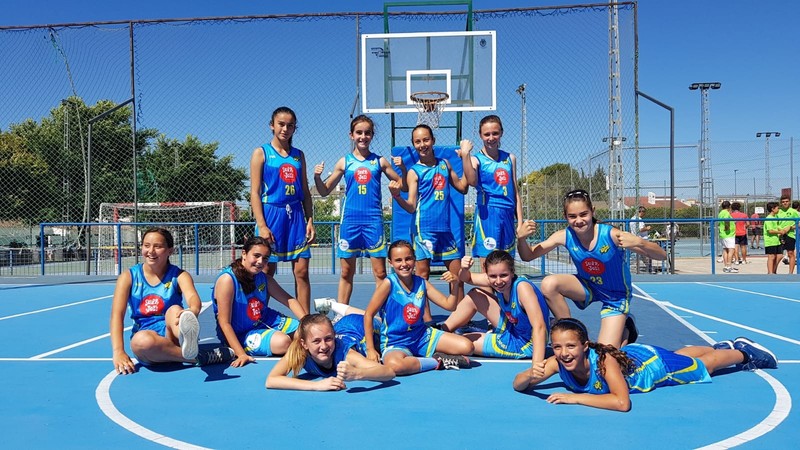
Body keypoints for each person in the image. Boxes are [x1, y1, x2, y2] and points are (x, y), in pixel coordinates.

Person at [512, 318, 778, 412]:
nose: (564, 353)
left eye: (570, 346)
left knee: (702, 367)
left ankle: (743, 352)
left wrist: (576, 398)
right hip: (637, 356)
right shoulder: (557, 362)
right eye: (557, 347)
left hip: (652, 367)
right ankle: (721, 346)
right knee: (680, 356)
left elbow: (621, 403)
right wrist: (529, 375)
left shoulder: (603, 362)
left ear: (585, 346)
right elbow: (518, 385)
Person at [517, 189, 666, 348]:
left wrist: (640, 242)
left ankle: (626, 329)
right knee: (549, 284)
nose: (579, 221)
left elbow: (662, 255)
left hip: (615, 296)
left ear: (592, 211)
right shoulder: (565, 236)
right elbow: (528, 256)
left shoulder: (611, 235)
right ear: (565, 216)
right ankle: (572, 332)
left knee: (604, 354)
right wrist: (521, 238)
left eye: (583, 214)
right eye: (572, 216)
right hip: (588, 285)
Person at [110, 227, 234, 374]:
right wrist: (118, 351)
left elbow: (193, 297)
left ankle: (186, 336)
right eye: (146, 245)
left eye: (158, 246)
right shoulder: (128, 277)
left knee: (174, 310)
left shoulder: (179, 275)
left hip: (172, 333)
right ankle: (199, 357)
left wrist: (193, 310)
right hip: (148, 340)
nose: (151, 251)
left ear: (170, 251)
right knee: (140, 341)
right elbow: (117, 315)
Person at [313, 115, 406, 306]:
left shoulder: (379, 161)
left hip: (373, 222)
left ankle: (383, 313)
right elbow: (324, 191)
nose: (363, 136)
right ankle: (341, 315)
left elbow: (403, 185)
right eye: (359, 132)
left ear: (372, 135)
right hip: (350, 222)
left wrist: (402, 172)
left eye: (367, 133)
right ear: (351, 135)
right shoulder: (344, 162)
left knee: (380, 273)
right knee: (347, 272)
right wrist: (316, 177)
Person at [389, 124, 471, 322]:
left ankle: (459, 321)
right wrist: (397, 196)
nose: (422, 144)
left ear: (433, 140)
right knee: (422, 276)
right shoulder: (414, 172)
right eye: (417, 141)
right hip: (423, 229)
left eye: (426, 139)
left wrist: (466, 157)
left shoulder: (445, 164)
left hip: (445, 230)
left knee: (457, 275)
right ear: (414, 145)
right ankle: (427, 322)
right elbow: (411, 206)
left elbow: (463, 187)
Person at [363, 240, 474, 375]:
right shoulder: (389, 284)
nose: (404, 264)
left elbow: (449, 305)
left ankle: (426, 354)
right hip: (396, 342)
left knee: (467, 347)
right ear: (390, 263)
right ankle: (437, 361)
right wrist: (370, 349)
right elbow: (368, 314)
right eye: (398, 260)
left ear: (414, 260)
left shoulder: (422, 283)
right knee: (395, 366)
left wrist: (455, 284)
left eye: (408, 259)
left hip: (422, 336)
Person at [249, 106, 315, 315]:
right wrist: (262, 225)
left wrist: (310, 220)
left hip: (296, 216)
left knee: (302, 271)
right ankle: (259, 317)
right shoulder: (261, 153)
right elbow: (255, 192)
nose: (285, 129)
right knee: (266, 271)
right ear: (272, 125)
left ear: (295, 128)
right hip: (271, 215)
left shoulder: (298, 156)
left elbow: (305, 191)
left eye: (290, 125)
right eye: (281, 124)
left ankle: (305, 322)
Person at [438, 251, 549, 363]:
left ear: (512, 272)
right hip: (513, 326)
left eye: (503, 275)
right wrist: (464, 269)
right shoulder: (500, 281)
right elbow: (466, 278)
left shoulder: (522, 288)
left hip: (523, 344)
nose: (498, 281)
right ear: (487, 274)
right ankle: (440, 332)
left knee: (464, 342)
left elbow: (539, 327)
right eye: (493, 276)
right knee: (475, 295)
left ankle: (437, 342)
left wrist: (537, 364)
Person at [212, 236, 307, 367]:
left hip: (265, 320)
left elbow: (289, 300)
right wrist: (241, 354)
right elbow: (224, 323)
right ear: (244, 253)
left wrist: (309, 322)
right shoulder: (227, 280)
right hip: (241, 333)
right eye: (256, 256)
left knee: (307, 334)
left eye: (265, 258)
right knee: (283, 343)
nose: (260, 262)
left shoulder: (263, 278)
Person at [265, 313, 395, 391]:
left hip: (364, 328)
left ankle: (375, 318)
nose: (324, 346)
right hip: (344, 325)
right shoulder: (299, 351)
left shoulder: (345, 354)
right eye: (316, 341)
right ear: (304, 344)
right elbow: (271, 380)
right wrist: (316, 385)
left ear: (334, 336)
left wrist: (357, 373)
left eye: (328, 339)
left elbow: (389, 372)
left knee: (386, 331)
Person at [462, 115, 522, 262]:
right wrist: (465, 155)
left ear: (501, 133)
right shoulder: (476, 159)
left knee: (507, 263)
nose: (491, 138)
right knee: (488, 264)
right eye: (486, 134)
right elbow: (471, 181)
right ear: (480, 135)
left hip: (507, 215)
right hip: (488, 214)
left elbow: (515, 192)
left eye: (495, 133)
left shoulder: (510, 158)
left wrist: (520, 222)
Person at [777, 195, 799, 273]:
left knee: (790, 253)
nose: (785, 203)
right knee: (778, 255)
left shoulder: (794, 212)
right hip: (779, 234)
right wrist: (780, 230)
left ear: (789, 202)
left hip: (790, 235)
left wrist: (791, 227)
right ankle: (773, 272)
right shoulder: (778, 211)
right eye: (783, 202)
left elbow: (799, 223)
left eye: (786, 201)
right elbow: (774, 223)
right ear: (781, 203)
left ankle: (790, 273)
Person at [629, 206, 653, 273]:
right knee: (647, 254)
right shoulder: (638, 219)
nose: (644, 214)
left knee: (642, 255)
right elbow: (640, 229)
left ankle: (648, 268)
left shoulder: (632, 219)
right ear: (641, 212)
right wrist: (647, 228)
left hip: (636, 239)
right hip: (641, 239)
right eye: (644, 212)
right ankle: (648, 268)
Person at [718, 200, 737, 273]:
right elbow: (726, 220)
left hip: (723, 234)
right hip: (728, 234)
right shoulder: (726, 213)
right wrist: (727, 227)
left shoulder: (720, 213)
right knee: (731, 250)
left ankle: (726, 266)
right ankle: (729, 266)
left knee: (725, 250)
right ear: (729, 207)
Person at [764, 202, 783, 274]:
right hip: (770, 241)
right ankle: (770, 272)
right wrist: (780, 232)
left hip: (776, 241)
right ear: (772, 209)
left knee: (779, 256)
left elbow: (777, 227)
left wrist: (783, 230)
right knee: (771, 256)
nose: (778, 209)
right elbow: (770, 230)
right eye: (777, 208)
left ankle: (773, 270)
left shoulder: (775, 217)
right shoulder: (768, 218)